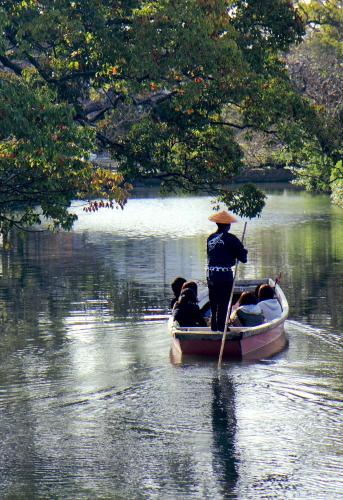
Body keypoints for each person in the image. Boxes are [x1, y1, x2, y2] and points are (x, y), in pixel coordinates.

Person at [207, 210, 248, 331]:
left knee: (213, 302)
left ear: (217, 224)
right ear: (228, 225)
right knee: (224, 302)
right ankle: (222, 327)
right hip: (225, 275)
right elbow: (243, 258)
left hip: (211, 274)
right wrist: (243, 251)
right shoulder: (231, 239)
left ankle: (214, 326)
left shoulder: (210, 238)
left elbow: (213, 255)